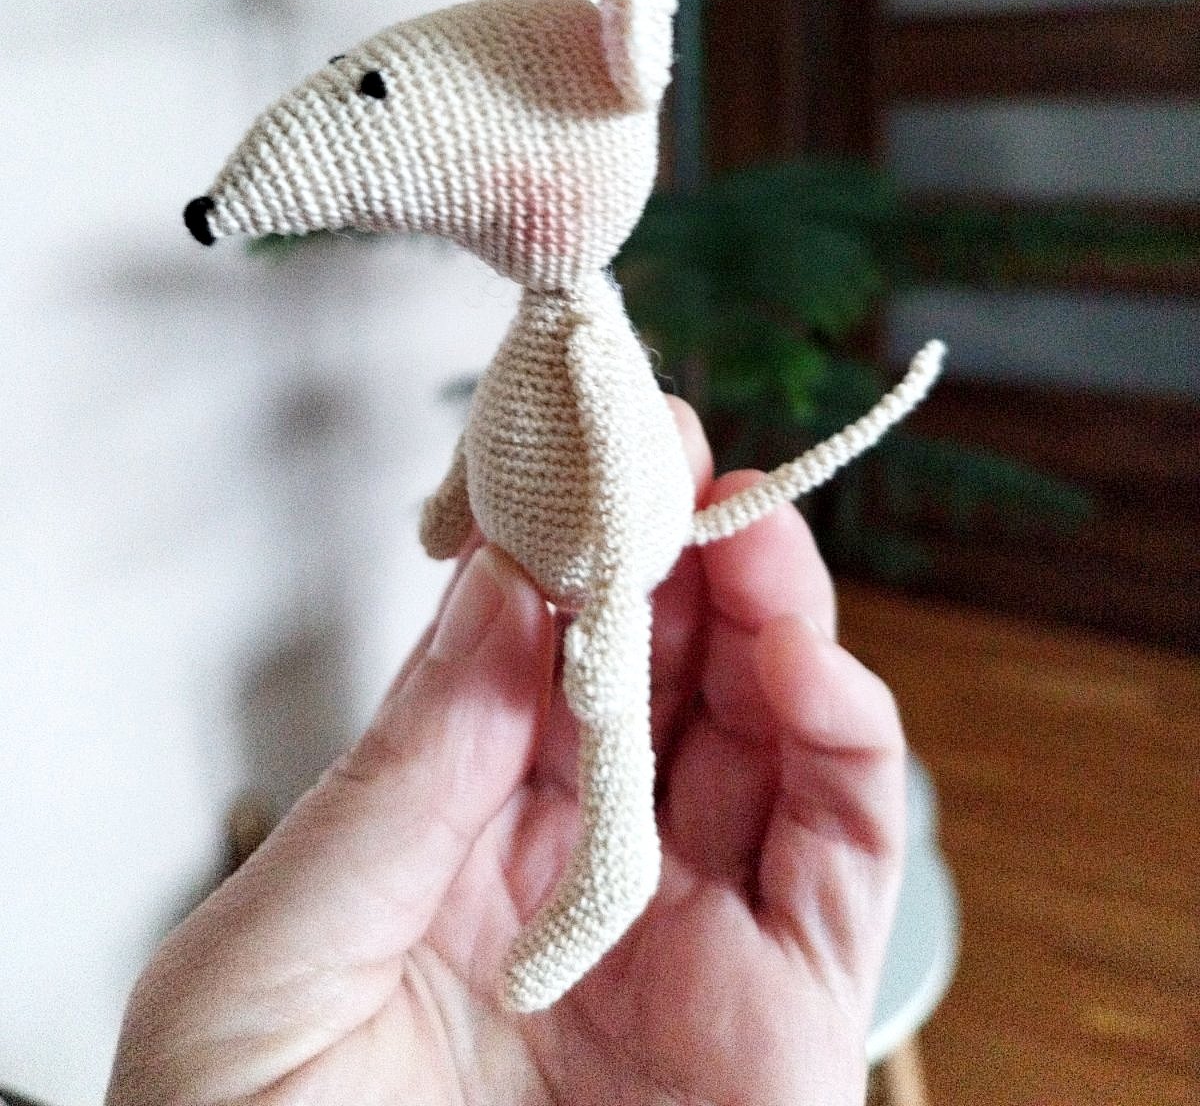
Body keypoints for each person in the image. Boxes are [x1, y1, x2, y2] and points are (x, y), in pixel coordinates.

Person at [107, 400, 906, 1105]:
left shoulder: (590, 347)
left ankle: (612, 866)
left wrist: (603, 591)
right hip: (557, 576)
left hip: (609, 584)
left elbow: (598, 436)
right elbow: (496, 420)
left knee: (620, 736)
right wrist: (451, 508)